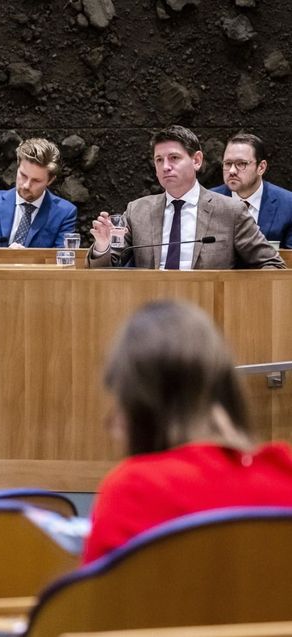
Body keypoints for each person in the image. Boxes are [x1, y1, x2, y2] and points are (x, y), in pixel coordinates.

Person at [83, 301, 292, 564]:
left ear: (139, 404)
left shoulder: (132, 492)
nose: (111, 422)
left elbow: (96, 603)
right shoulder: (285, 473)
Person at [88, 125, 284, 269]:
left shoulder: (230, 211)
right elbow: (105, 269)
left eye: (174, 158)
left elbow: (273, 265)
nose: (165, 166)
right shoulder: (137, 211)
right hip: (151, 311)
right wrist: (102, 245)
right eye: (159, 160)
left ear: (196, 160)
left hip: (210, 311)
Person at [210, 132, 292, 249]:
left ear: (261, 167)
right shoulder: (207, 201)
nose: (232, 170)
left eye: (241, 163)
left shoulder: (288, 205)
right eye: (228, 163)